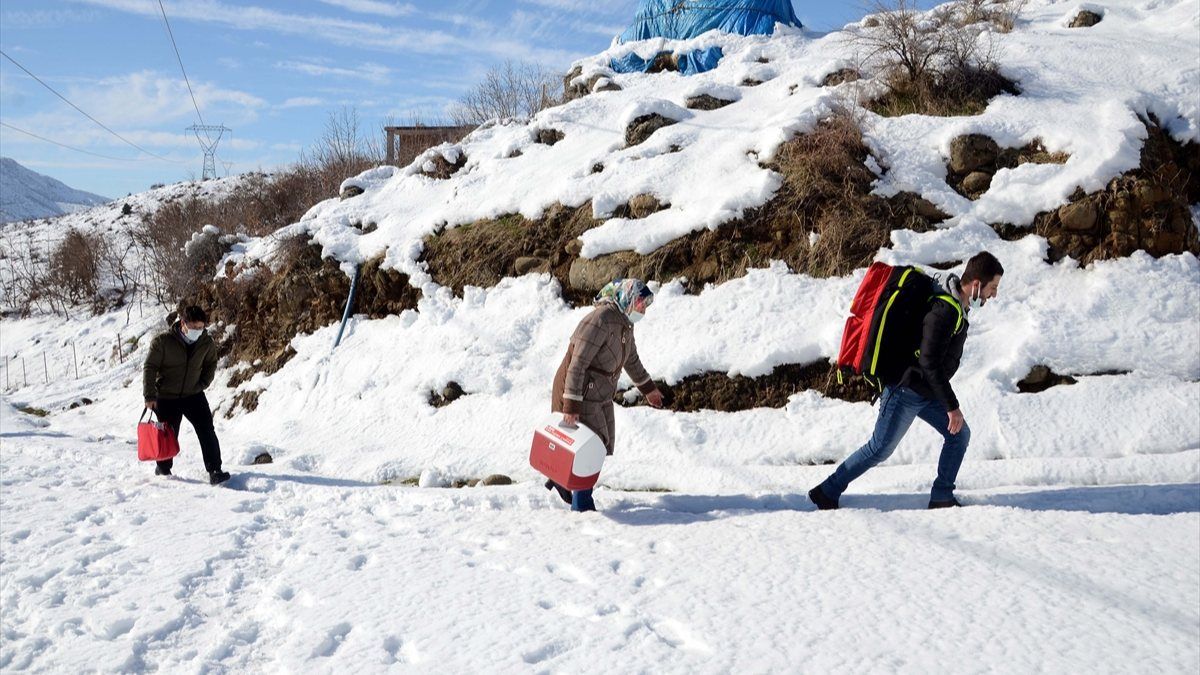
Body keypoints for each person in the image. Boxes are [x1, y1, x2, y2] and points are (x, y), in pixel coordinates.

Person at [809, 252, 1004, 510]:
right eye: (993, 288)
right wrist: (952, 407)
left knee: (959, 436)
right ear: (977, 284)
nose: (994, 295)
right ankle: (827, 491)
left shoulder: (956, 306)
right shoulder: (945, 311)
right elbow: (929, 362)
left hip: (925, 391)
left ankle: (942, 497)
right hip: (905, 391)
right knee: (879, 448)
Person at [548, 279, 664, 512]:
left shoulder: (625, 324)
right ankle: (582, 506)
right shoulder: (600, 320)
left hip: (599, 393)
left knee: (599, 445)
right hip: (579, 391)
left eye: (644, 306)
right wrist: (570, 406)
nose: (642, 310)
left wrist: (649, 390)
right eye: (640, 304)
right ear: (627, 299)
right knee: (591, 448)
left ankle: (562, 480)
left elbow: (631, 361)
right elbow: (577, 364)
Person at [143, 304, 230, 485]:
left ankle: (215, 470)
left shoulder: (205, 342)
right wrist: (149, 395)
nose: (197, 331)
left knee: (207, 430)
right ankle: (163, 468)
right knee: (168, 435)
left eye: (201, 327)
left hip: (193, 395)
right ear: (183, 323)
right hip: (167, 396)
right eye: (194, 327)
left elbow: (211, 364)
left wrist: (203, 383)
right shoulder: (163, 341)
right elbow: (150, 367)